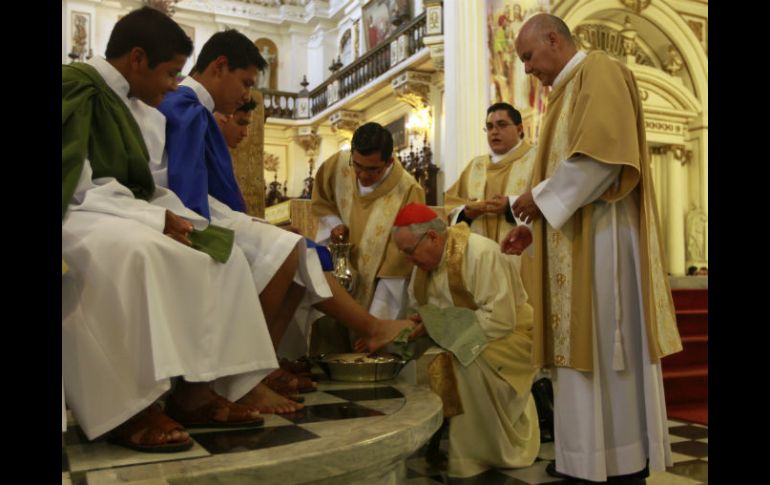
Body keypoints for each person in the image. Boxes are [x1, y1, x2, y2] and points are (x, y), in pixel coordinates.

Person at [62, 7, 270, 453]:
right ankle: (127, 408)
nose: (175, 85)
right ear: (137, 59)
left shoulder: (143, 107)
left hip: (117, 210)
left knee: (219, 251)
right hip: (76, 212)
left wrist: (177, 218)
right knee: (138, 252)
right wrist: (152, 219)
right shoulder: (76, 88)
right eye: (171, 73)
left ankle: (196, 391)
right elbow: (76, 185)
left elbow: (146, 186)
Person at [156, 32, 413, 367]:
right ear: (220, 67)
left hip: (202, 212)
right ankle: (247, 369)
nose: (247, 95)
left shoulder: (193, 109)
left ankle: (268, 364)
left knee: (298, 250)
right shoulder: (187, 107)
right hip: (189, 218)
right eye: (246, 82)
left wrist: (253, 224)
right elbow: (188, 191)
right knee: (290, 250)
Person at [502, 13, 683, 483]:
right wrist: (533, 227)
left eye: (527, 57)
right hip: (577, 238)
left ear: (553, 39)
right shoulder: (563, 94)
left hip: (604, 245)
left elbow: (604, 158)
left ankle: (619, 461)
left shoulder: (598, 69)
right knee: (583, 355)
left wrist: (539, 200)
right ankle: (584, 460)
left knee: (606, 348)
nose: (526, 70)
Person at [392, 203, 539, 478]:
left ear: (433, 237)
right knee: (412, 357)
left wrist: (437, 328)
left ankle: (478, 454)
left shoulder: (480, 252)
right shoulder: (424, 265)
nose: (409, 260)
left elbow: (499, 319)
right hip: (463, 335)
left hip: (511, 336)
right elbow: (419, 310)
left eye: (409, 252)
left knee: (463, 357)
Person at [312, 122, 426, 332]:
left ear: (389, 161)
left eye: (373, 169)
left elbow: (397, 267)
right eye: (357, 165)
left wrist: (373, 324)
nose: (363, 175)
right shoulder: (338, 165)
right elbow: (322, 200)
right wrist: (335, 224)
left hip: (376, 294)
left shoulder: (408, 191)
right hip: (338, 273)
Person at [444, 102, 537, 294]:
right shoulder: (475, 166)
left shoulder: (536, 159)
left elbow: (547, 201)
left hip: (524, 258)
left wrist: (509, 206)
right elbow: (450, 206)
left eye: (502, 125)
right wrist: (466, 212)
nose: (494, 132)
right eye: (490, 127)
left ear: (519, 129)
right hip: (481, 264)